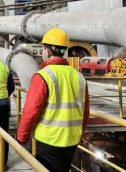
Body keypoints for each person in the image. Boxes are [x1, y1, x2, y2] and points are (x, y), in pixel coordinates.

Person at [16, 28, 90, 172]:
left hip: (50, 140)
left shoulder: (43, 76)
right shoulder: (79, 76)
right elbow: (85, 111)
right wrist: (80, 134)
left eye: (43, 49)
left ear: (48, 51)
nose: (43, 52)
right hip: (72, 139)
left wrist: (21, 138)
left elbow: (31, 111)